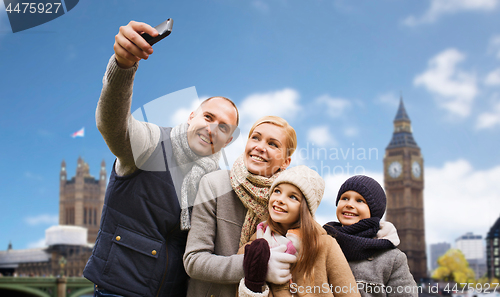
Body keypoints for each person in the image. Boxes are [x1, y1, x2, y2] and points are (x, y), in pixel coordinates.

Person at [82, 21, 240, 297]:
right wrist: (122, 66)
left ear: (228, 140)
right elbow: (112, 124)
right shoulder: (152, 143)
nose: (212, 128)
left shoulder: (216, 183)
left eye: (223, 127)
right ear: (192, 116)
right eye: (208, 117)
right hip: (119, 291)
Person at [183, 116, 299, 296]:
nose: (260, 147)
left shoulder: (290, 204)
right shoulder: (215, 184)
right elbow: (194, 260)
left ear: (285, 162)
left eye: (273, 144)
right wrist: (256, 265)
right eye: (255, 138)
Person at [237, 165, 361, 297]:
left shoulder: (325, 245)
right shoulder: (251, 249)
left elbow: (349, 293)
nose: (280, 200)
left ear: (306, 209)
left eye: (293, 197)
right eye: (277, 191)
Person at [323, 175, 418, 297]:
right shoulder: (318, 245)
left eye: (360, 201)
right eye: (345, 198)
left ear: (374, 211)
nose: (349, 204)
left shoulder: (392, 259)